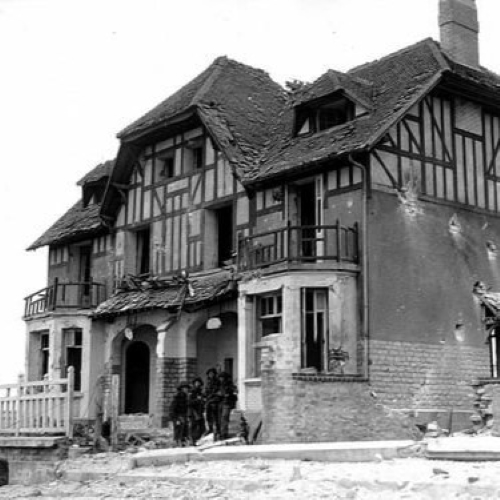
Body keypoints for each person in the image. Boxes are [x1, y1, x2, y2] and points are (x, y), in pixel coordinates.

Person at [218, 371, 238, 440]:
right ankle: (220, 434)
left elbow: (235, 392)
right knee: (220, 419)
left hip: (227, 403)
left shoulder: (230, 385)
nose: (221, 379)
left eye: (222, 378)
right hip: (219, 403)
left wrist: (229, 394)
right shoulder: (218, 385)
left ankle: (224, 434)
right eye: (220, 378)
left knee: (224, 418)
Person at [169, 381, 190, 447]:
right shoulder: (177, 397)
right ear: (181, 389)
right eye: (184, 388)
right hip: (178, 416)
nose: (186, 389)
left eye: (187, 388)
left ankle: (182, 444)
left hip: (183, 416)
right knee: (178, 432)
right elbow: (172, 409)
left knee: (184, 431)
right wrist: (176, 419)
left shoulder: (185, 397)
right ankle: (177, 445)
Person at [204, 368, 221, 439]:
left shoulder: (217, 382)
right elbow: (206, 391)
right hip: (209, 401)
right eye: (210, 374)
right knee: (208, 417)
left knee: (215, 417)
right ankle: (210, 429)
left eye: (212, 373)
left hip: (215, 401)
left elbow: (217, 392)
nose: (211, 375)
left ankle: (217, 431)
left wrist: (212, 395)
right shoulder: (208, 382)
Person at [188, 377, 206, 445]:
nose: (198, 384)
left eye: (199, 383)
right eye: (196, 382)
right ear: (194, 383)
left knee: (202, 428)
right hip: (193, 412)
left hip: (200, 411)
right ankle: (192, 441)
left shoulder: (200, 392)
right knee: (193, 427)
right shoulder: (192, 392)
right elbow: (189, 402)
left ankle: (197, 439)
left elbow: (203, 400)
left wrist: (203, 400)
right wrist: (197, 400)